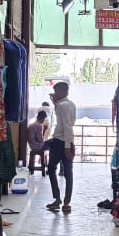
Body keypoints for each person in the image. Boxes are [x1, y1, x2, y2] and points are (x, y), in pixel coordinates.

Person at [45, 81, 76, 213]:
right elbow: (71, 123)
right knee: (68, 172)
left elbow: (67, 127)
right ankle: (67, 202)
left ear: (62, 92)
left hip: (60, 142)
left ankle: (58, 198)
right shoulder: (70, 104)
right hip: (68, 141)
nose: (55, 94)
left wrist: (67, 147)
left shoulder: (61, 106)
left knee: (51, 168)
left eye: (56, 92)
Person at [25, 110, 49, 174]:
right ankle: (50, 168)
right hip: (37, 146)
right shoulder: (38, 126)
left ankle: (47, 167)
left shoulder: (31, 125)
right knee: (52, 144)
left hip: (31, 146)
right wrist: (44, 130)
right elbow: (40, 140)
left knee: (49, 143)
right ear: (43, 119)